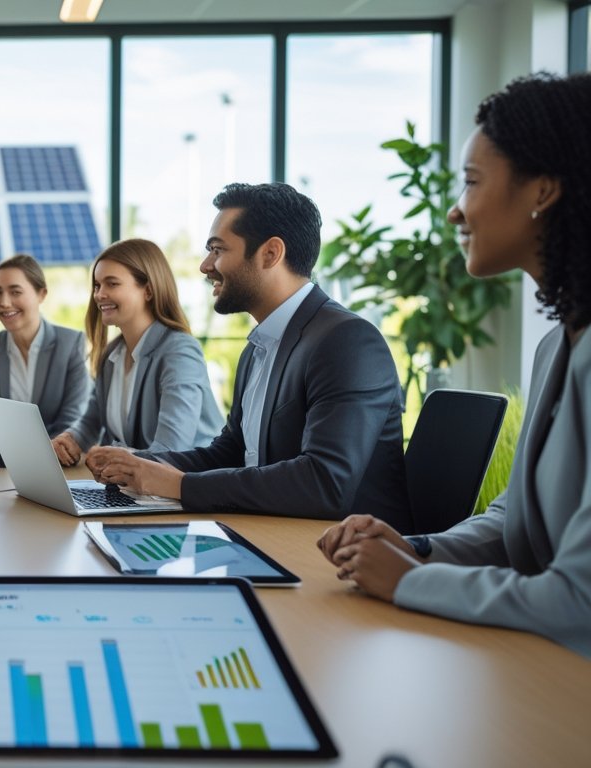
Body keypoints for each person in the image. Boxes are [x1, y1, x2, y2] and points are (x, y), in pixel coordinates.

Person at [319, 73, 591, 657]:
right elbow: (516, 514)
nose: (454, 213)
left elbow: (581, 602)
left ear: (542, 191)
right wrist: (415, 550)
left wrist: (413, 582)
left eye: (470, 183)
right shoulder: (557, 345)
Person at [87, 183, 411, 530]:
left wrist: (176, 485)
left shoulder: (346, 341)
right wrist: (139, 465)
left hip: (340, 555)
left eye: (217, 250)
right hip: (273, 532)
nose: (204, 265)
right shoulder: (260, 346)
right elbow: (229, 452)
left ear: (270, 253)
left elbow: (324, 483)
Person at [48, 239, 223, 465]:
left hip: (190, 489)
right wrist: (70, 440)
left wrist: (114, 458)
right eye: (97, 285)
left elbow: (172, 450)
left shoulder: (179, 352)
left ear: (148, 290)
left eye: (112, 284)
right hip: (138, 491)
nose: (100, 294)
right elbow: (91, 422)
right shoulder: (112, 355)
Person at [0, 254, 89, 443]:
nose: (4, 302)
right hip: (1, 466)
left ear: (41, 294)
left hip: (57, 464)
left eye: (15, 292)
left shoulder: (71, 344)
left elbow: (73, 424)